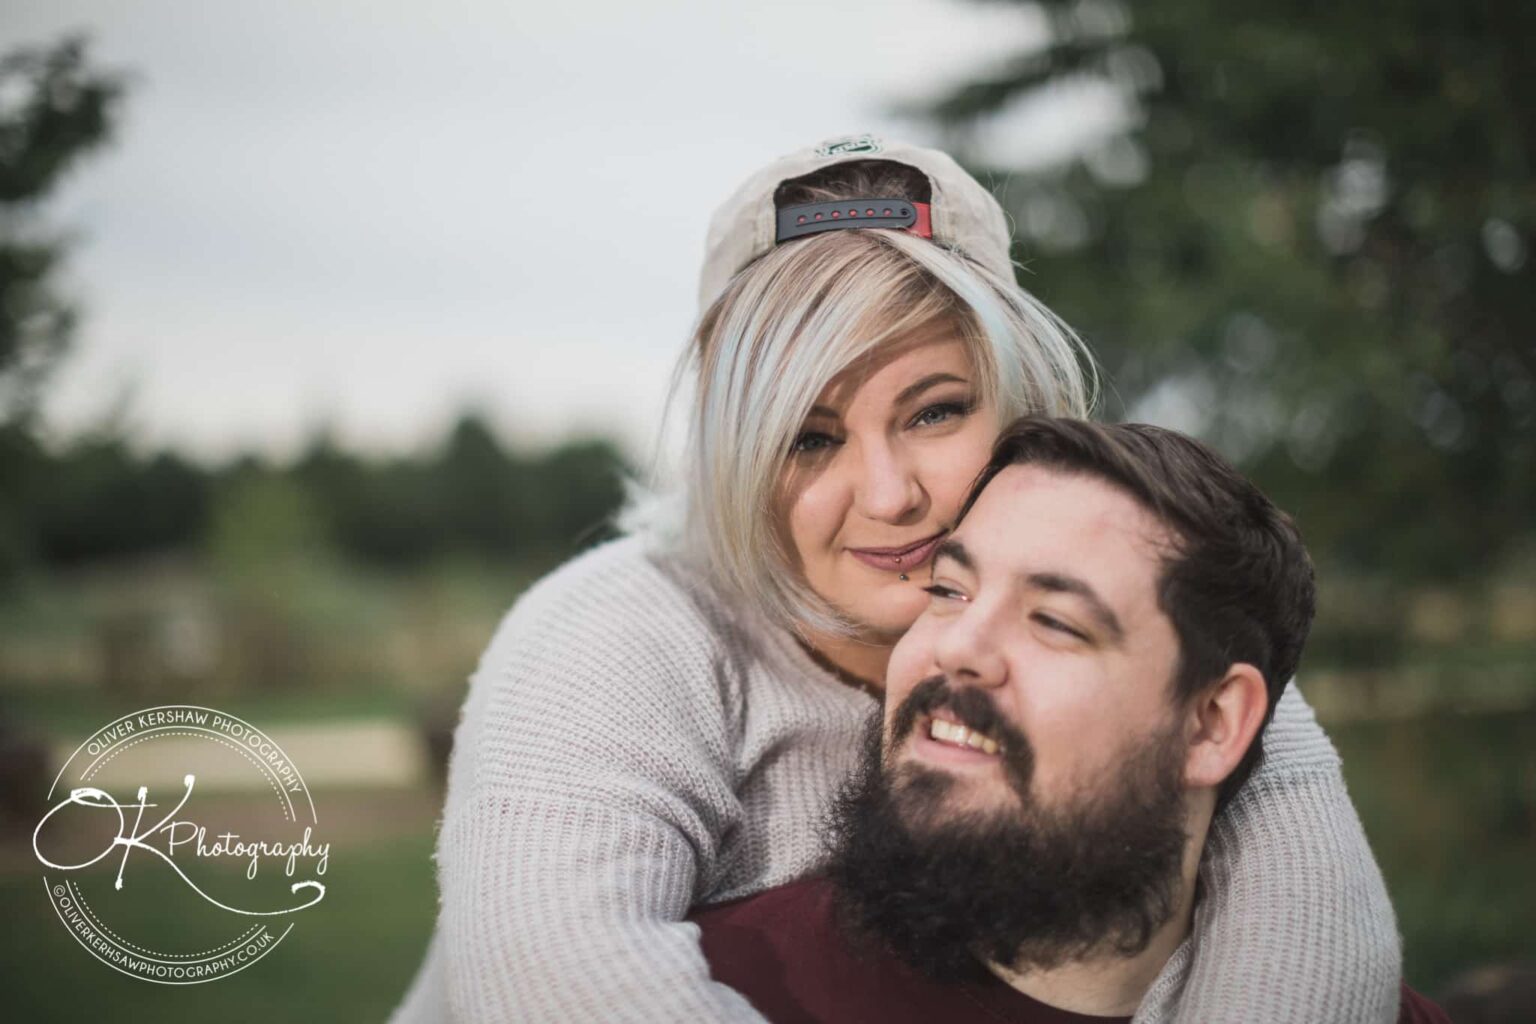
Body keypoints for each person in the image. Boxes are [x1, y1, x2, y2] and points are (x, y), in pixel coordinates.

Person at [387, 136, 1400, 1023]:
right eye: (811, 437)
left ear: (1022, 400)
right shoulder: (617, 634)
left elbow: (1314, 942)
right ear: (735, 450)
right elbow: (557, 982)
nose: (888, 495)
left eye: (933, 412)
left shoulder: (1147, 638)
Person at [694, 417, 1449, 1023]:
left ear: (1212, 724)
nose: (956, 647)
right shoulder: (718, 985)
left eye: (1054, 621)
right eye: (949, 591)